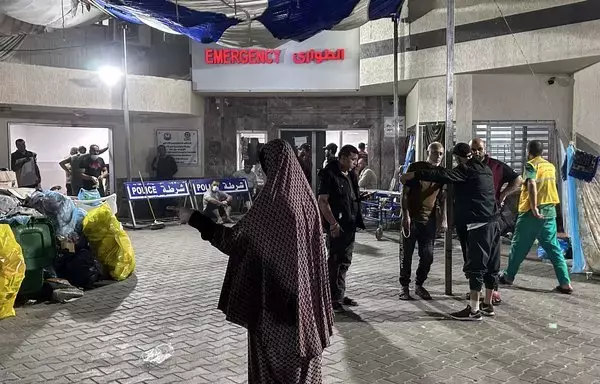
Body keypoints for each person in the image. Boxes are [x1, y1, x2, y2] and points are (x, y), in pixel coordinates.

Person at [175, 139, 333, 383]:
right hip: (305, 307)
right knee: (304, 370)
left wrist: (194, 218)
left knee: (273, 369)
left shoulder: (273, 203)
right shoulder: (307, 200)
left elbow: (234, 241)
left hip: (274, 308)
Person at [401, 143, 500, 321]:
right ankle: (488, 304)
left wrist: (414, 175)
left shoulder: (465, 170)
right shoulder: (485, 169)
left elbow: (440, 174)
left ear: (458, 158)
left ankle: (474, 310)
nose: (438, 156)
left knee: (475, 267)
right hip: (494, 223)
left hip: (478, 225)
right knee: (491, 266)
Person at [499, 141, 573, 294]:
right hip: (550, 212)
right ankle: (565, 283)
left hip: (531, 214)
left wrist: (533, 208)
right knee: (553, 248)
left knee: (518, 246)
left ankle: (508, 277)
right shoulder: (550, 167)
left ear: (528, 152)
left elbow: (532, 184)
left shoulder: (531, 165)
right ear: (542, 152)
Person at [459, 138, 523, 304]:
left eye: (479, 149)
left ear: (485, 149)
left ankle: (489, 295)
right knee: (472, 257)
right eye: (473, 149)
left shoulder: (496, 166)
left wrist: (503, 194)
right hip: (471, 219)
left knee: (491, 258)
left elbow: (518, 179)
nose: (476, 152)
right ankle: (479, 295)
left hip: (491, 219)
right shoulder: (466, 167)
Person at [318, 144, 367, 313]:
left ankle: (339, 294)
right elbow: (323, 201)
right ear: (344, 157)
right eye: (353, 159)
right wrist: (332, 223)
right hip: (337, 226)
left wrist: (360, 198)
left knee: (345, 261)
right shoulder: (329, 174)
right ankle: (331, 298)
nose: (356, 162)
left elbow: (349, 195)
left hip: (350, 224)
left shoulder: (351, 174)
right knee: (335, 261)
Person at [399, 142, 446, 301]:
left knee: (428, 255)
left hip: (429, 221)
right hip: (412, 218)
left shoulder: (441, 173)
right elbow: (405, 193)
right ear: (428, 152)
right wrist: (405, 215)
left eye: (440, 153)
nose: (438, 156)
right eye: (435, 152)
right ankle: (404, 286)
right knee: (407, 254)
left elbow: (442, 198)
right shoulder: (416, 167)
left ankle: (419, 284)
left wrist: (443, 219)